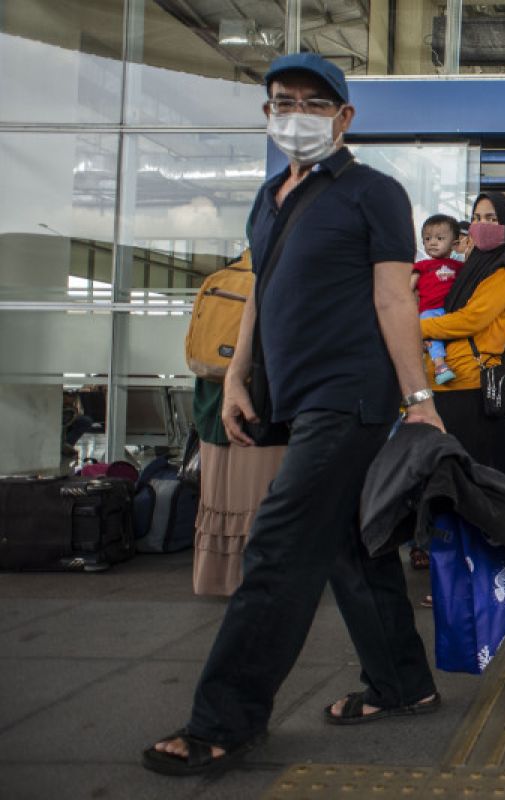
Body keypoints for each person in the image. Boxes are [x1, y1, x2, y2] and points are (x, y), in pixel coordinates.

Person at [143, 54, 442, 776]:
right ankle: (402, 683)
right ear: (268, 112)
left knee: (276, 548)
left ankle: (224, 721)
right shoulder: (270, 195)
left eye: (315, 103)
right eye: (284, 101)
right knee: (348, 545)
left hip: (353, 397)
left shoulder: (373, 192)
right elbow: (258, 296)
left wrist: (421, 401)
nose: (297, 115)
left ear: (344, 118)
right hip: (296, 397)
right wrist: (239, 376)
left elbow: (394, 299)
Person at [419, 192, 505, 489]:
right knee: (453, 476)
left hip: (474, 387)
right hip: (446, 383)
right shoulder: (469, 268)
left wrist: (420, 328)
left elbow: (472, 319)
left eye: (492, 219)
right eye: (477, 218)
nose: (482, 225)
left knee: (481, 475)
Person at [191, 376, 286, 596]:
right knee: (262, 492)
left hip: (218, 396)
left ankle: (221, 576)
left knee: (229, 493)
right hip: (259, 395)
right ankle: (259, 576)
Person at [412, 214, 463, 385]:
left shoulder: (460, 267)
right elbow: (408, 288)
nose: (432, 242)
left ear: (454, 244)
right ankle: (440, 366)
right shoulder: (422, 266)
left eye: (440, 238)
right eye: (427, 239)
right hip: (430, 311)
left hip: (452, 311)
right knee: (432, 336)